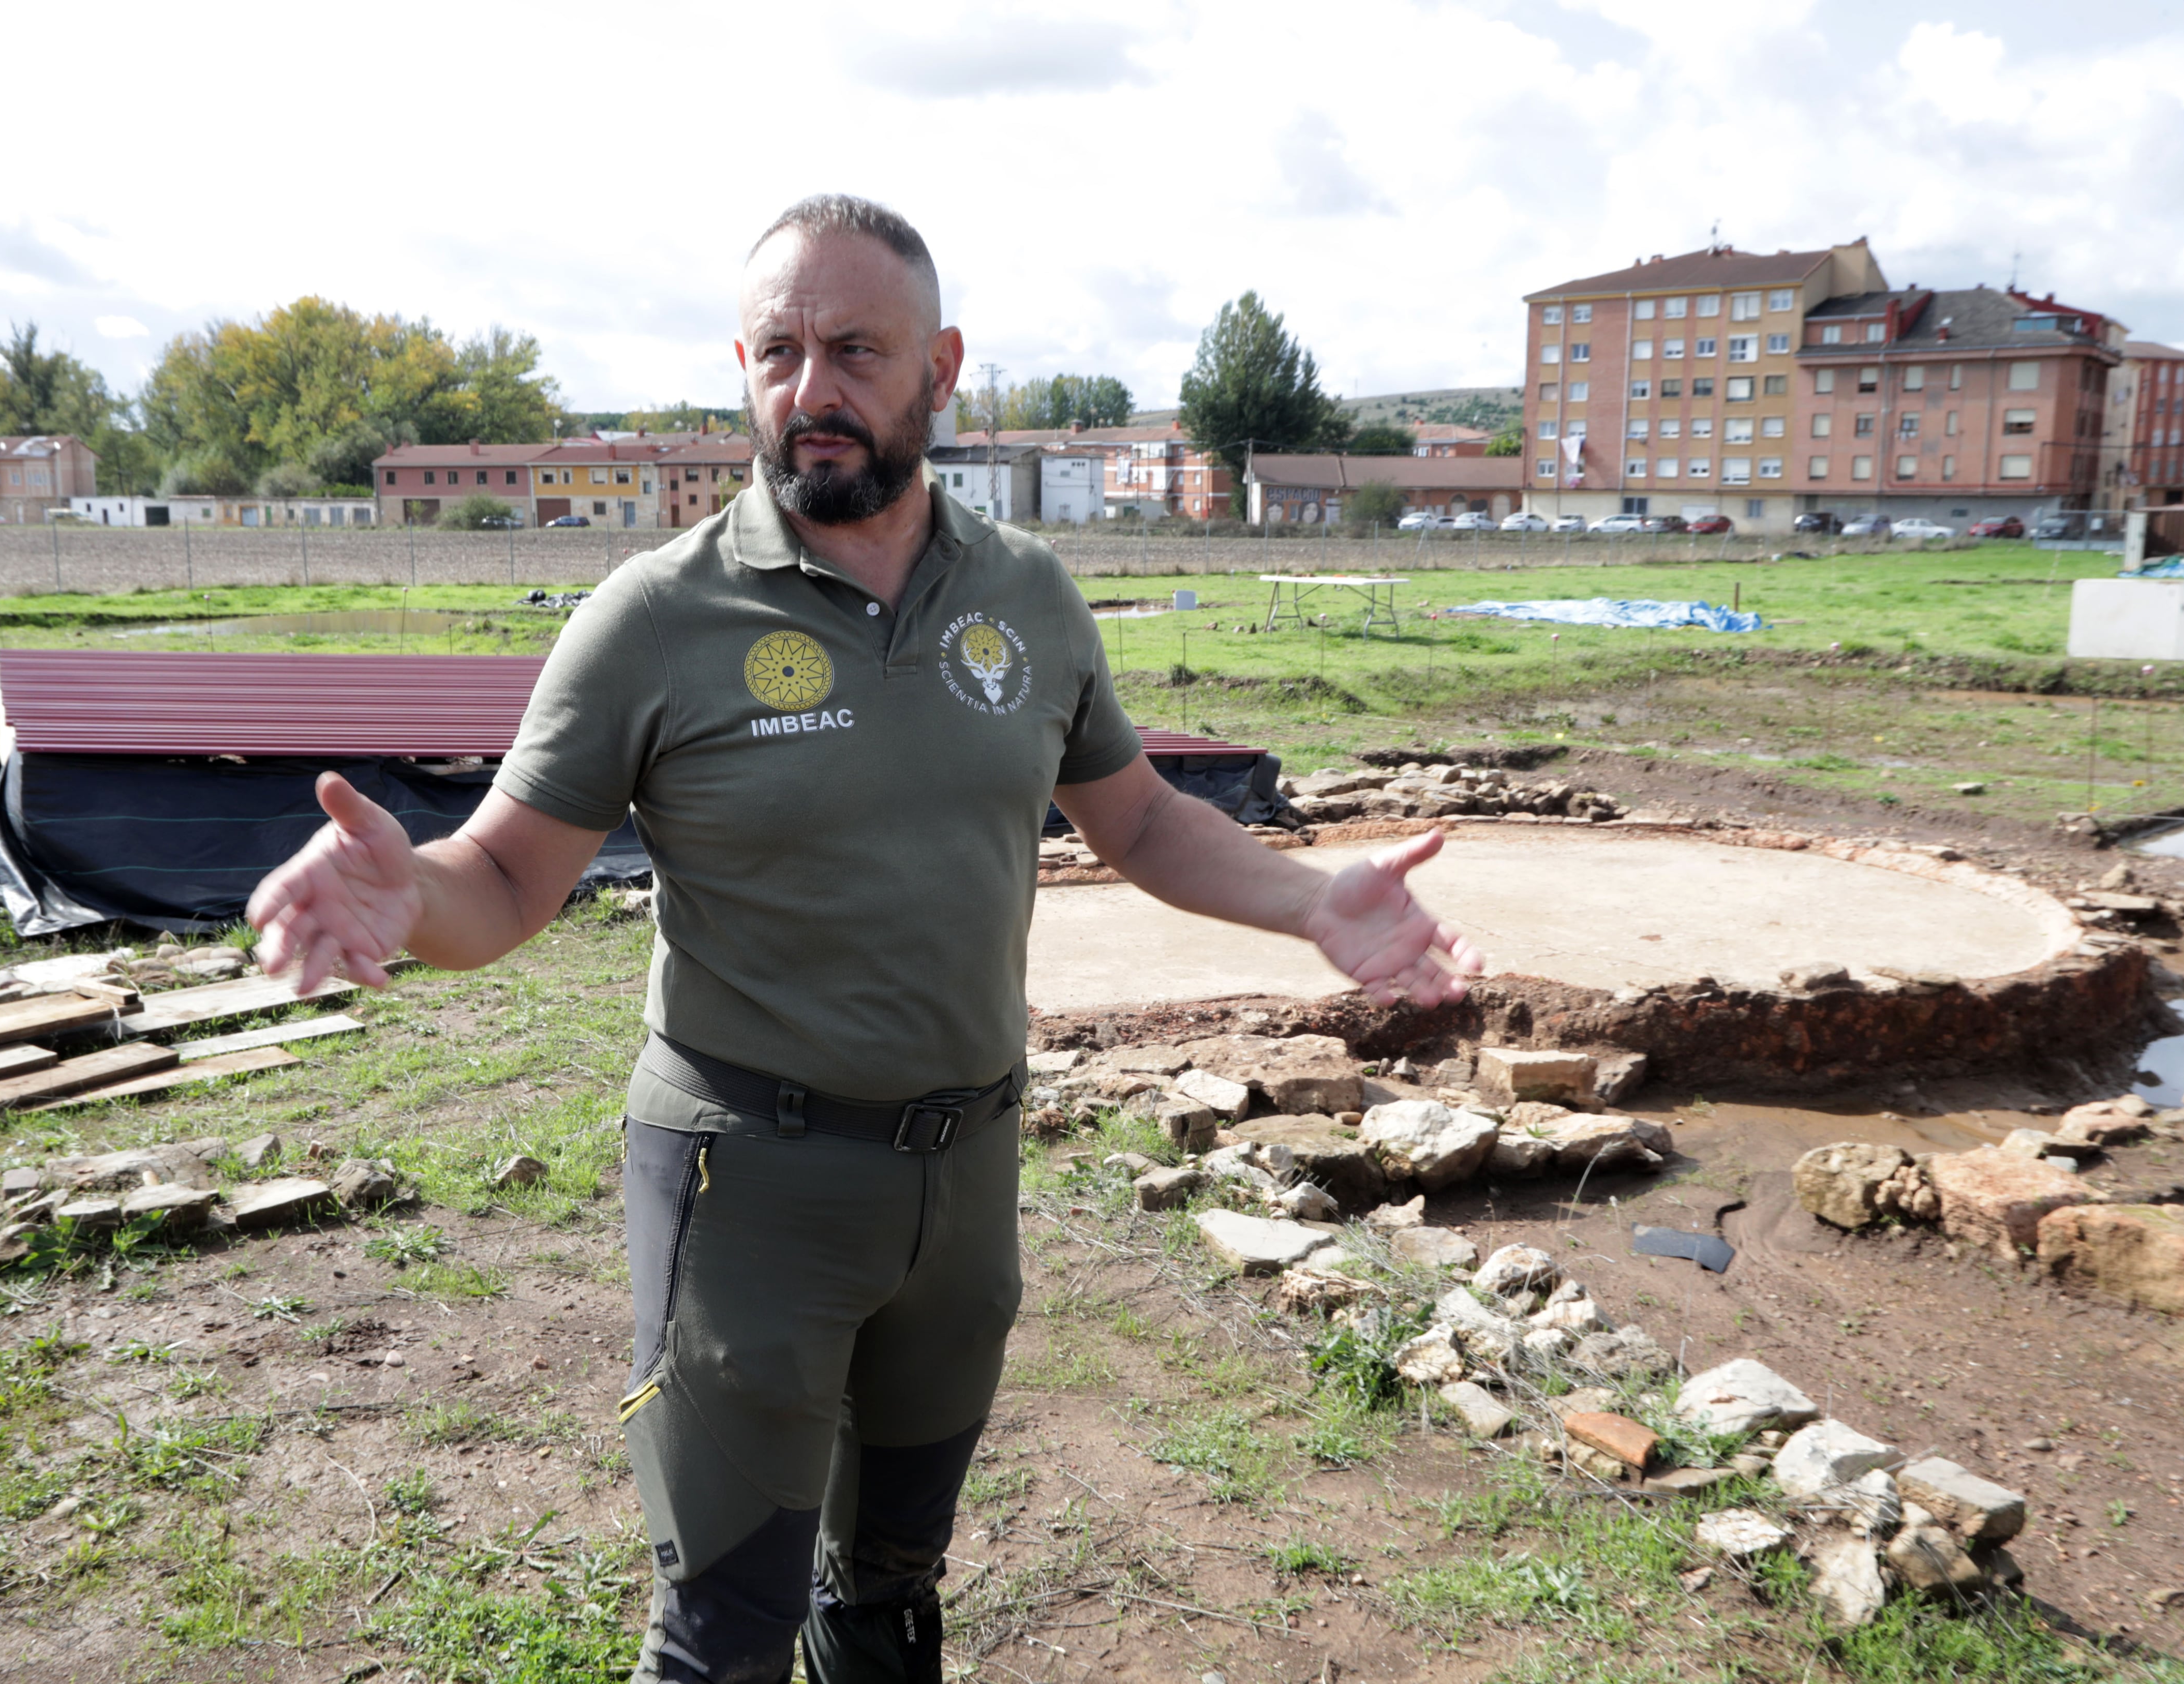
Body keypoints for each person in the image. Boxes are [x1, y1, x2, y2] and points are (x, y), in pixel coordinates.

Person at [248, 193, 1482, 1684]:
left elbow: (1140, 821)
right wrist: (410, 894)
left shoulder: (1025, 599)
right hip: (747, 1182)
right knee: (722, 1633)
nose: (811, 392)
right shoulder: (657, 619)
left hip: (963, 1183)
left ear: (941, 368)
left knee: (891, 1596)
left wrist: (1312, 899)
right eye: (777, 353)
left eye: (853, 350)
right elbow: (504, 879)